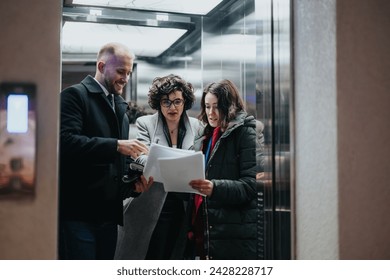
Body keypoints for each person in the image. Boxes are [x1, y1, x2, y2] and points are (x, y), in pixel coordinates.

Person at [59, 42, 153, 260]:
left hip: (108, 217)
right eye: (121, 71)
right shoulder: (74, 96)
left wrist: (134, 186)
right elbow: (65, 142)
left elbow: (114, 168)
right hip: (77, 216)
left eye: (129, 72)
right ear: (101, 66)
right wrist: (117, 145)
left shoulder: (118, 106)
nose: (126, 78)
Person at [115, 74, 201, 260]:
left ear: (185, 102)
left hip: (186, 202)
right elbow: (140, 157)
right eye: (166, 102)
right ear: (158, 103)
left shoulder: (197, 126)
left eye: (177, 101)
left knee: (179, 255)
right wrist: (174, 167)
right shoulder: (145, 123)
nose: (172, 107)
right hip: (153, 200)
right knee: (154, 254)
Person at [187, 79, 257, 260]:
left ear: (230, 107)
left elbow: (250, 186)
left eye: (216, 107)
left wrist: (214, 188)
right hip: (208, 227)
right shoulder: (206, 135)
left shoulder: (245, 132)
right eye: (207, 106)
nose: (211, 113)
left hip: (232, 231)